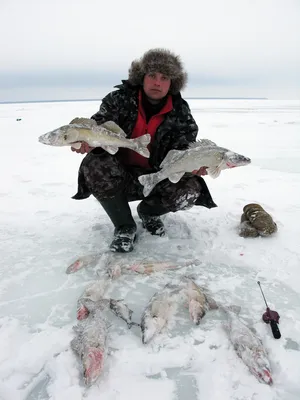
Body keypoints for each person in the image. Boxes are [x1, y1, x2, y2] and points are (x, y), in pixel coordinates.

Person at [71, 48, 217, 253]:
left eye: (164, 77)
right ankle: (124, 226)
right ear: (141, 77)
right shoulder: (118, 100)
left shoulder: (180, 111)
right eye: (152, 75)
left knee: (191, 189)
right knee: (95, 164)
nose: (157, 82)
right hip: (120, 175)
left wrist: (193, 165)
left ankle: (149, 212)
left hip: (158, 176)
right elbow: (98, 127)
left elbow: (185, 147)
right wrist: (86, 141)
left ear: (172, 83)